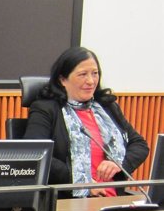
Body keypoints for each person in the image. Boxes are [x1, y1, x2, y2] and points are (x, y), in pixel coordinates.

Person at [23, 47, 149, 198]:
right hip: (69, 200)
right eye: (82, 74)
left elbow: (139, 144)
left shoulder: (107, 107)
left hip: (113, 197)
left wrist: (119, 164)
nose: (91, 81)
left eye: (95, 74)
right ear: (62, 79)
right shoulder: (46, 109)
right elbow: (36, 152)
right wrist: (82, 182)